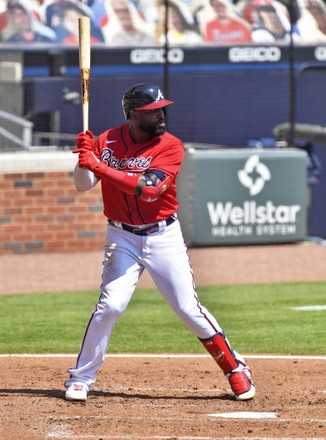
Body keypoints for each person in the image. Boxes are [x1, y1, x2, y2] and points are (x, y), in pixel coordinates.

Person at [64, 83, 256, 403]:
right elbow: (84, 185)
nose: (162, 116)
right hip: (121, 235)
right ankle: (81, 377)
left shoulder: (171, 146)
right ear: (134, 115)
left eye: (163, 109)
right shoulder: (107, 140)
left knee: (187, 308)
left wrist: (99, 165)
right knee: (110, 305)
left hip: (163, 234)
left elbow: (149, 190)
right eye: (154, 112)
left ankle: (235, 368)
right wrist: (84, 160)